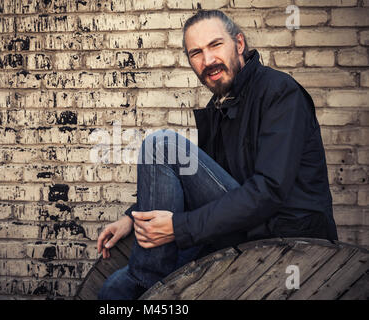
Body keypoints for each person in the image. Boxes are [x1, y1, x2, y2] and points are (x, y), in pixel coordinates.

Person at [96, 10, 338, 300]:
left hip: (281, 234)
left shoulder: (280, 92)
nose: (207, 60)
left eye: (215, 45)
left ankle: (149, 282)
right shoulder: (221, 106)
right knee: (113, 289)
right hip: (238, 225)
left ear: (238, 43)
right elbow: (194, 180)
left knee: (163, 145)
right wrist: (131, 219)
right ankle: (146, 278)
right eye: (196, 52)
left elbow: (269, 191)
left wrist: (178, 227)